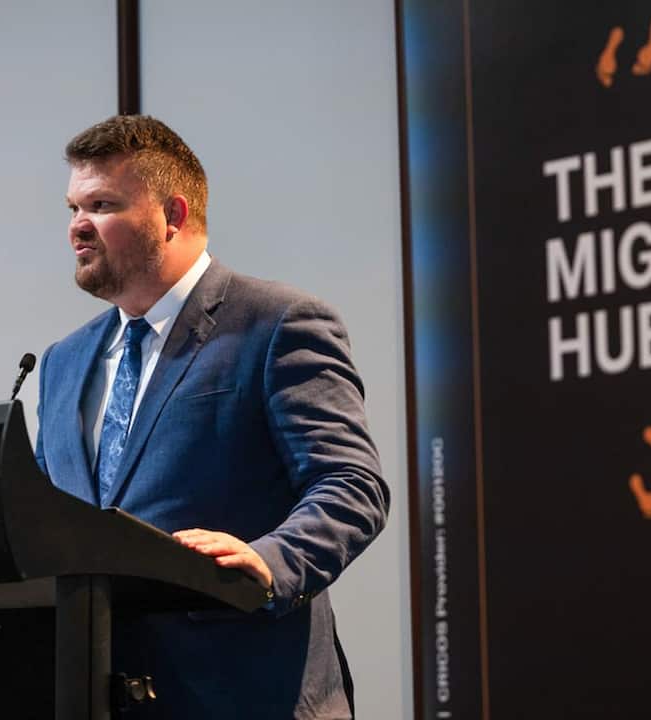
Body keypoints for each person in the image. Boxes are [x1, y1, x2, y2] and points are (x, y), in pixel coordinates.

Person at [33, 114, 389, 719]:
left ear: (172, 215)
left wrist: (270, 560)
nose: (77, 228)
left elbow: (352, 487)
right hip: (100, 694)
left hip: (247, 694)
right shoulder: (62, 363)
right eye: (72, 208)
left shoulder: (276, 323)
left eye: (101, 205)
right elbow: (46, 520)